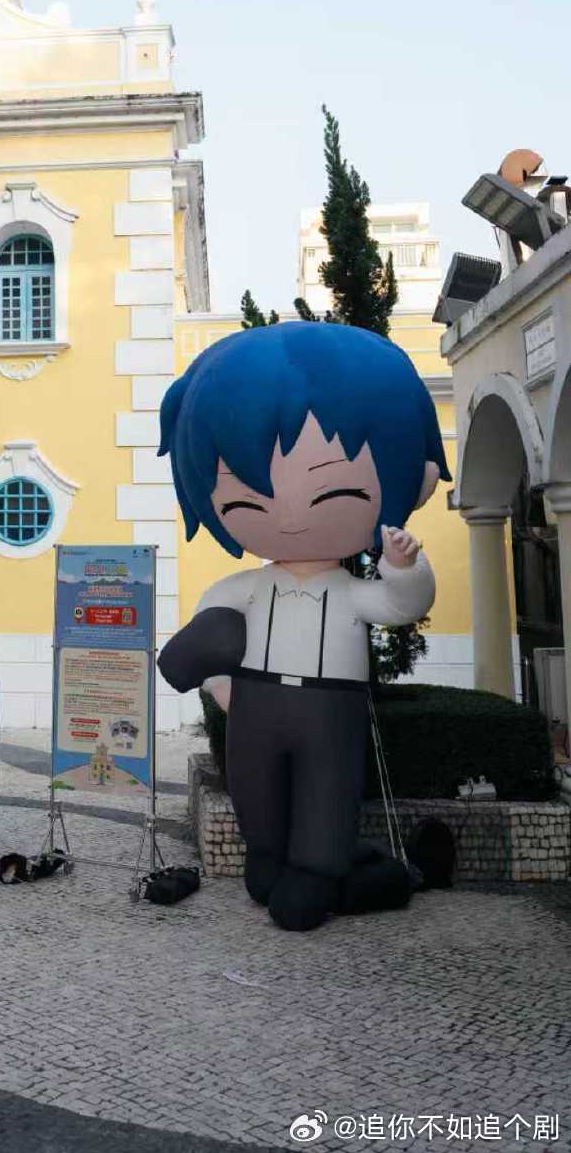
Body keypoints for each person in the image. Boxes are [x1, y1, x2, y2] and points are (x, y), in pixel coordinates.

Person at [157, 322, 450, 932]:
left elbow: (401, 605)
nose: (288, 519)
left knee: (326, 792)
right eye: (247, 498)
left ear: (416, 478)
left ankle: (322, 869)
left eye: (330, 493)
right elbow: (206, 638)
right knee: (257, 799)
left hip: (330, 710)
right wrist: (220, 685)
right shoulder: (245, 588)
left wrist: (403, 568)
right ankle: (270, 856)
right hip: (256, 709)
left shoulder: (349, 591)